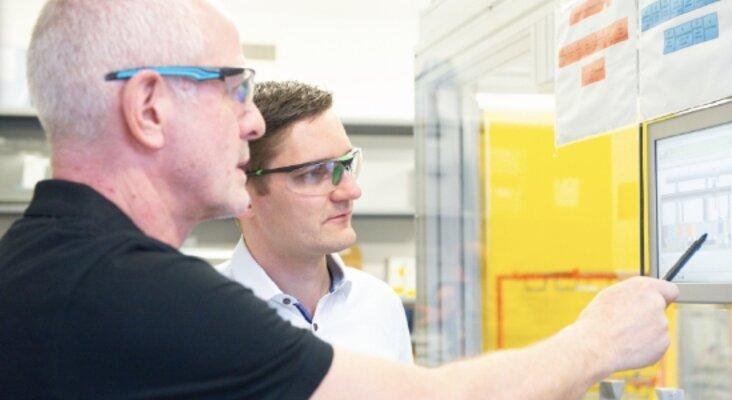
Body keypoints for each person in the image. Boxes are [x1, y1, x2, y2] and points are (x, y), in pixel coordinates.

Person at [0, 0, 678, 399]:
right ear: (149, 107)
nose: (251, 121)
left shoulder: (40, 264)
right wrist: (597, 341)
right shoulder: (135, 294)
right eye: (233, 89)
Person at [217, 81, 412, 362]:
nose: (351, 191)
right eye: (314, 173)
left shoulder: (380, 304)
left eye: (347, 164)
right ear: (243, 195)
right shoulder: (200, 318)